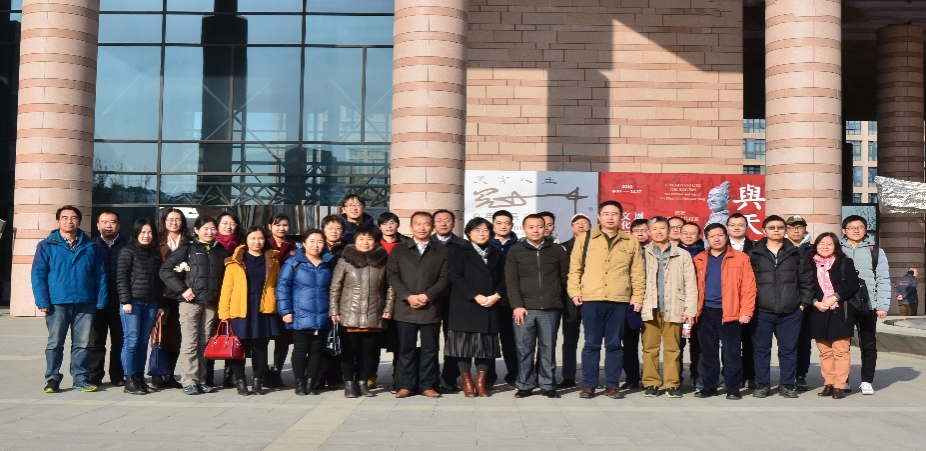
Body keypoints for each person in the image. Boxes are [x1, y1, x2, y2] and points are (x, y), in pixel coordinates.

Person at [567, 201, 645, 399]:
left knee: (614, 344)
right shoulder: (585, 239)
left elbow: (637, 273)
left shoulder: (630, 241)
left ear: (621, 217)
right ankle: (589, 385)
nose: (610, 218)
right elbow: (575, 269)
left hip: (619, 300)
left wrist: (637, 297)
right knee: (591, 344)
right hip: (591, 298)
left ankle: (612, 385)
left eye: (615, 214)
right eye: (606, 214)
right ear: (599, 217)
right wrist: (574, 291)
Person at [32, 206, 107, 393]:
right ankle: (52, 378)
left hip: (85, 301)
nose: (69, 221)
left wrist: (100, 300)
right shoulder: (46, 245)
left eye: (73, 218)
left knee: (82, 344)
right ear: (58, 221)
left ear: (79, 221)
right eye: (65, 218)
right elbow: (38, 275)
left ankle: (80, 378)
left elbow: (100, 274)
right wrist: (42, 301)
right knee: (55, 343)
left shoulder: (90, 245)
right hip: (57, 302)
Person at [160, 216, 229, 395]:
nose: (209, 232)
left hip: (211, 304)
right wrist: (182, 289)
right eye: (205, 228)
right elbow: (165, 270)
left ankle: (202, 380)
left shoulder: (220, 251)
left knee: (205, 343)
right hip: (190, 303)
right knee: (190, 342)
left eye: (213, 228)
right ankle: (189, 380)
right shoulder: (188, 248)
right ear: (197, 230)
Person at [748, 215, 814, 398]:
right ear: (764, 230)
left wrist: (803, 304)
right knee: (761, 350)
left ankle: (787, 384)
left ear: (785, 230)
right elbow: (747, 282)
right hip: (762, 311)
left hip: (791, 311)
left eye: (780, 227)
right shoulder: (754, 254)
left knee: (789, 350)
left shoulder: (796, 253)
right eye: (772, 227)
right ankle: (762, 384)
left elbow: (807, 280)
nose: (776, 230)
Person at [387, 211, 451, 398]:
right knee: (405, 349)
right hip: (405, 308)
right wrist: (408, 296)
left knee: (430, 349)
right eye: (418, 224)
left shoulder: (441, 251)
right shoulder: (399, 250)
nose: (422, 228)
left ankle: (427, 385)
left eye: (426, 224)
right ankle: (405, 385)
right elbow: (393, 276)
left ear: (432, 227)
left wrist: (427, 296)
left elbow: (445, 278)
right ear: (411, 227)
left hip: (430, 308)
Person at [506, 214, 569, 398]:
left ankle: (548, 384)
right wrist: (517, 305)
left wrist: (557, 297)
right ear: (524, 229)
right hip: (524, 309)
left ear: (546, 228)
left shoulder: (557, 250)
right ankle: (525, 384)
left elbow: (564, 276)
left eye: (539, 227)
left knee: (548, 348)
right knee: (524, 348)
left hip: (550, 308)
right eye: (531, 227)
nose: (535, 230)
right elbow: (511, 280)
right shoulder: (516, 251)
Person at [329, 225, 395, 398]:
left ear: (375, 241)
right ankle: (349, 384)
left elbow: (390, 288)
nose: (365, 242)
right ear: (355, 240)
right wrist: (334, 310)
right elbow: (335, 287)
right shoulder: (345, 261)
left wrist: (388, 308)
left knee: (368, 353)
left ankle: (363, 383)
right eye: (361, 239)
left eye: (369, 239)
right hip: (349, 313)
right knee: (349, 352)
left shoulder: (383, 262)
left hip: (374, 313)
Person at [692, 223, 756, 400]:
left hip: (730, 311)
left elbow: (749, 287)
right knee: (708, 352)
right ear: (706, 239)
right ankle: (709, 386)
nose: (717, 239)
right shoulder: (699, 259)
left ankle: (733, 388)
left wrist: (746, 311)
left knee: (732, 352)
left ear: (726, 237)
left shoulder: (740, 258)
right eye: (712, 236)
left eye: (720, 235)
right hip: (706, 311)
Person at [219, 226, 281, 396]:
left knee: (260, 348)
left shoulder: (272, 260)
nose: (256, 242)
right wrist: (224, 314)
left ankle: (257, 382)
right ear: (246, 240)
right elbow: (227, 289)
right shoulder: (234, 262)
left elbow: (277, 284)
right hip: (240, 308)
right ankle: (240, 381)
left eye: (260, 238)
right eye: (252, 238)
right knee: (238, 347)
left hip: (262, 308)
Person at [447, 218, 506, 397]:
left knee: (485, 347)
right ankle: (467, 381)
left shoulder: (497, 253)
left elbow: (504, 277)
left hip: (489, 304)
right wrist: (475, 295)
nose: (481, 233)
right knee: (462, 347)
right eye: (477, 230)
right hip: (465, 305)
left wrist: (497, 295)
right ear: (469, 233)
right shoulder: (459, 251)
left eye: (485, 230)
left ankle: (481, 382)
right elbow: (455, 276)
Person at [640, 217, 697, 398]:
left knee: (673, 349)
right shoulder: (642, 253)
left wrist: (690, 310)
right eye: (654, 229)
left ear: (670, 231)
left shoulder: (682, 254)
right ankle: (651, 383)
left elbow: (690, 284)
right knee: (650, 348)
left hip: (674, 308)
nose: (658, 232)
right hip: (650, 307)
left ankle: (672, 384)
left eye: (662, 228)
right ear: (649, 232)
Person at [276, 229, 336, 396]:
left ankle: (311, 383)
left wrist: (334, 310)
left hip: (323, 314)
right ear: (303, 243)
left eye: (320, 242)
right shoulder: (293, 263)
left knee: (317, 350)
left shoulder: (329, 263)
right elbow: (282, 287)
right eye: (312, 241)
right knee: (301, 349)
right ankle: (300, 383)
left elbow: (335, 288)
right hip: (299, 314)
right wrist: (286, 311)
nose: (316, 245)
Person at [840, 215, 890, 395]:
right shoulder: (837, 249)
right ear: (844, 230)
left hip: (868, 304)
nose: (856, 230)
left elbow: (883, 279)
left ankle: (867, 381)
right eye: (851, 227)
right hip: (844, 303)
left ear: (865, 230)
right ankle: (843, 380)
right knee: (842, 344)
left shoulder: (875, 251)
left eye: (860, 227)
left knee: (868, 344)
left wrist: (882, 305)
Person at [808, 232, 860, 400]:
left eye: (829, 244)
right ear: (816, 245)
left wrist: (834, 297)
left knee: (841, 351)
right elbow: (805, 286)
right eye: (821, 243)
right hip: (818, 310)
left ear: (836, 246)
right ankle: (829, 383)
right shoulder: (809, 263)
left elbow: (852, 285)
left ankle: (840, 385)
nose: (825, 247)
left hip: (840, 310)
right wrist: (815, 302)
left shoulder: (845, 262)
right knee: (825, 352)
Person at [116, 218, 164, 395]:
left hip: (151, 303)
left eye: (150, 232)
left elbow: (159, 281)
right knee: (131, 341)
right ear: (136, 233)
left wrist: (160, 304)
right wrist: (125, 301)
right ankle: (129, 380)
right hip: (133, 303)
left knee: (143, 343)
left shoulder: (155, 253)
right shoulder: (127, 251)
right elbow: (121, 278)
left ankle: (139, 377)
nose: (146, 235)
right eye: (143, 232)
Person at [151, 208, 190, 389]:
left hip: (182, 295)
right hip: (162, 295)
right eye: (170, 219)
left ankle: (170, 374)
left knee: (176, 337)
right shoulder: (156, 241)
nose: (174, 222)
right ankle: (158, 374)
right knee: (160, 336)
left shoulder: (188, 242)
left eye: (178, 219)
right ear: (164, 221)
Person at [88, 210, 126, 388]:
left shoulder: (128, 246)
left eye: (112, 222)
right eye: (104, 222)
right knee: (95, 342)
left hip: (121, 302)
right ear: (98, 226)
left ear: (119, 225)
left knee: (120, 341)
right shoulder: (90, 246)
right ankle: (94, 376)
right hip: (97, 302)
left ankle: (118, 376)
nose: (108, 225)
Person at [431, 209, 466, 392]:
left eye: (447, 220)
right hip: (431, 299)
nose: (443, 223)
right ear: (433, 224)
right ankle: (431, 378)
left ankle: (449, 378)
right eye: (439, 220)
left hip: (455, 300)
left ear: (453, 223)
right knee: (430, 341)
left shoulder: (463, 245)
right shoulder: (427, 243)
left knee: (452, 340)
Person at [557, 213, 592, 389]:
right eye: (577, 223)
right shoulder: (563, 248)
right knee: (570, 339)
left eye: (585, 223)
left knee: (591, 339)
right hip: (570, 299)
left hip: (592, 297)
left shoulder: (596, 246)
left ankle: (590, 377)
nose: (581, 225)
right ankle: (568, 376)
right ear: (572, 227)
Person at [374, 211, 406, 390]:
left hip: (400, 297)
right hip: (376, 297)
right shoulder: (373, 243)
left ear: (397, 225)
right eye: (385, 223)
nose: (389, 226)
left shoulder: (405, 244)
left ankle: (397, 376)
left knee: (398, 341)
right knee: (374, 340)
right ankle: (371, 374)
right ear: (380, 227)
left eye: (392, 223)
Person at [489, 209, 520, 387]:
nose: (503, 226)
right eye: (499, 223)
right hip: (489, 301)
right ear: (493, 225)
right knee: (489, 340)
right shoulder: (486, 244)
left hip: (510, 302)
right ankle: (489, 377)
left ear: (512, 225)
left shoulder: (518, 246)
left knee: (510, 341)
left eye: (507, 223)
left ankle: (514, 375)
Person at [266, 213, 297, 390]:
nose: (281, 228)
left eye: (285, 225)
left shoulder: (294, 247)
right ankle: (263, 372)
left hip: (286, 298)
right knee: (262, 337)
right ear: (270, 226)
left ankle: (276, 372)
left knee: (283, 339)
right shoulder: (264, 244)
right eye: (277, 225)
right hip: (266, 297)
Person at [317, 214, 348, 390]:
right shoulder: (317, 247)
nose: (334, 231)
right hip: (320, 298)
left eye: (338, 228)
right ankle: (319, 376)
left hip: (341, 299)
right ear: (323, 230)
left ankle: (335, 377)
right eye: (330, 228)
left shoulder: (348, 249)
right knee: (321, 339)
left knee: (338, 338)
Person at [214, 211, 244, 388]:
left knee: (232, 335)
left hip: (235, 297)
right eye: (224, 223)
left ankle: (230, 374)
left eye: (232, 223)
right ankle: (207, 374)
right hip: (214, 294)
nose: (228, 226)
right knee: (212, 335)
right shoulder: (213, 243)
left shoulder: (241, 246)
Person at [619, 217, 649, 390]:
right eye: (636, 231)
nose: (640, 234)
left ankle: (650, 378)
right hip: (630, 303)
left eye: (643, 230)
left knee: (650, 344)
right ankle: (632, 377)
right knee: (629, 343)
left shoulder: (655, 250)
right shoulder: (625, 250)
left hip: (651, 303)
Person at [727, 213, 755, 388]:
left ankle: (750, 375)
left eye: (740, 225)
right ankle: (730, 376)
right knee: (729, 344)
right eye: (732, 225)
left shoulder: (756, 248)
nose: (736, 228)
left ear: (746, 227)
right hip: (727, 302)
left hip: (749, 302)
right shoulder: (719, 247)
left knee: (750, 342)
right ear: (727, 228)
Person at [785, 215, 813, 392]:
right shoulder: (779, 247)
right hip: (783, 302)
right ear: (787, 229)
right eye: (792, 227)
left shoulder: (813, 249)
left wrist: (805, 302)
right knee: (787, 343)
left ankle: (800, 375)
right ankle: (787, 375)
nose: (796, 230)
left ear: (804, 229)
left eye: (799, 227)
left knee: (803, 342)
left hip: (805, 304)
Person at [678, 221, 705, 391]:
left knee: (699, 344)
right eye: (685, 233)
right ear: (680, 235)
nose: (688, 236)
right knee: (677, 344)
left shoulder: (706, 254)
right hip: (678, 306)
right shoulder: (673, 252)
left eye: (692, 233)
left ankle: (698, 375)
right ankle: (676, 376)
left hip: (701, 306)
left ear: (699, 236)